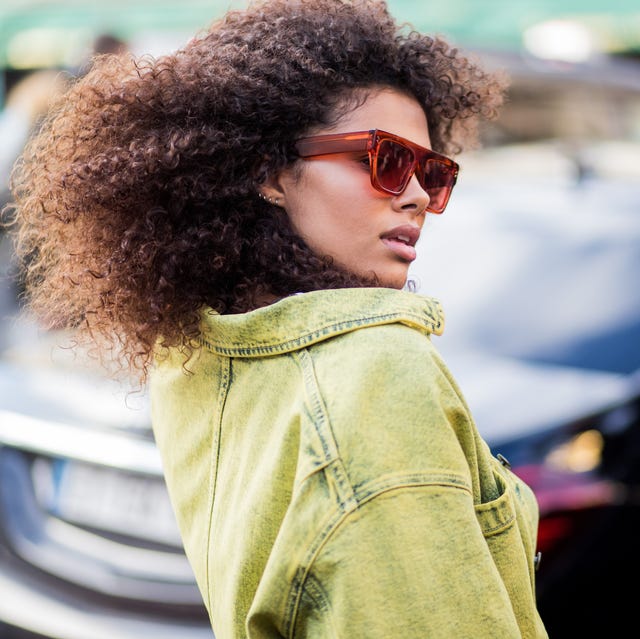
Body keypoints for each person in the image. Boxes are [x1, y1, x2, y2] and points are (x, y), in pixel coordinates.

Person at [6, 0, 548, 636]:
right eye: (386, 159)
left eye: (433, 171)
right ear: (269, 172)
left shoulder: (196, 352)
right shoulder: (375, 374)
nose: (419, 195)